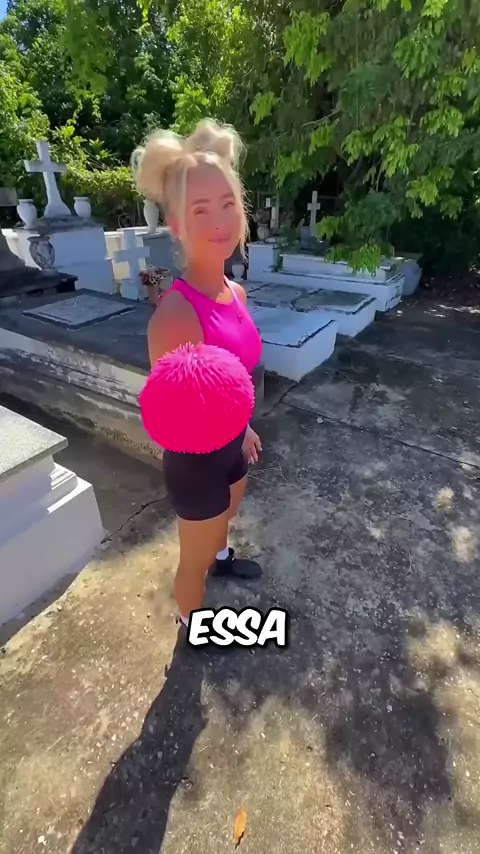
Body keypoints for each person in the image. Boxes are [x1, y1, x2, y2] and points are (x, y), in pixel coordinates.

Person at [132, 119, 264, 636]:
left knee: (225, 525)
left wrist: (243, 427)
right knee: (194, 560)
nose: (219, 222)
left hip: (233, 445)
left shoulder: (237, 292)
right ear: (176, 224)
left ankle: (223, 559)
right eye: (200, 210)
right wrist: (227, 430)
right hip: (197, 462)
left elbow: (236, 380)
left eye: (228, 204)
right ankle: (192, 622)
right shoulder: (176, 316)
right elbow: (171, 419)